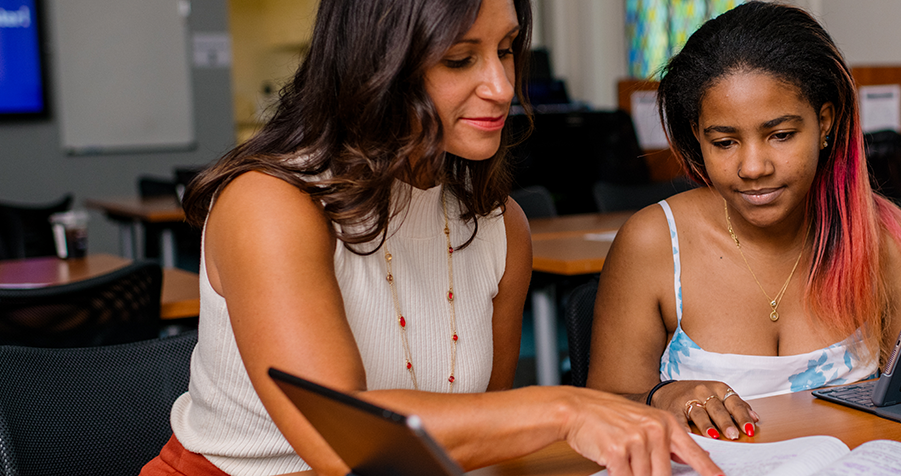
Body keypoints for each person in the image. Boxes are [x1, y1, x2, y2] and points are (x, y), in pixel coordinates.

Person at [141, 1, 721, 475]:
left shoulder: (501, 227)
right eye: (460, 58)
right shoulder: (272, 203)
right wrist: (565, 408)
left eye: (505, 50)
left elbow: (478, 444)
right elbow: (338, 443)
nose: (500, 86)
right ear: (377, 65)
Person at [588, 1, 901, 442]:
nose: (752, 167)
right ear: (698, 136)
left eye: (781, 135)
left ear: (825, 123)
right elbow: (600, 412)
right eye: (725, 142)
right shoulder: (652, 243)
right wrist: (661, 397)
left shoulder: (885, 240)